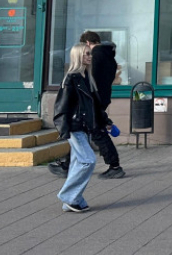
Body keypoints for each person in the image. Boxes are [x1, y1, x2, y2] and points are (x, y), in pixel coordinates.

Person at [48, 31, 126, 179]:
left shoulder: (96, 57)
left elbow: (89, 81)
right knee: (82, 132)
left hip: (90, 100)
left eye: (87, 50)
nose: (88, 55)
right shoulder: (109, 56)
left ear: (88, 43)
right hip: (98, 98)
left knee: (96, 132)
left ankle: (114, 166)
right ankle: (67, 165)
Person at [52, 44, 102, 212]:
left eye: (90, 54)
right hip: (74, 127)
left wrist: (105, 121)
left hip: (85, 127)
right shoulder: (71, 78)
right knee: (88, 161)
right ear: (78, 56)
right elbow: (61, 106)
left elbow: (94, 105)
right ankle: (68, 196)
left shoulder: (87, 77)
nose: (90, 56)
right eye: (86, 54)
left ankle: (74, 199)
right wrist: (64, 129)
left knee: (77, 164)